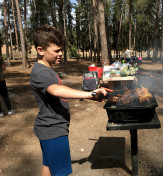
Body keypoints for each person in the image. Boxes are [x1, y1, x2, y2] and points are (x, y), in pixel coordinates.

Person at [30, 25, 107, 176]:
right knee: (60, 172)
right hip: (53, 130)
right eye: (56, 51)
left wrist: (90, 97)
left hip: (50, 129)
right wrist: (90, 94)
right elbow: (56, 90)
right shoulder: (40, 72)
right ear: (40, 50)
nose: (60, 54)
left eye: (61, 50)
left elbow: (61, 93)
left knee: (48, 166)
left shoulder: (46, 69)